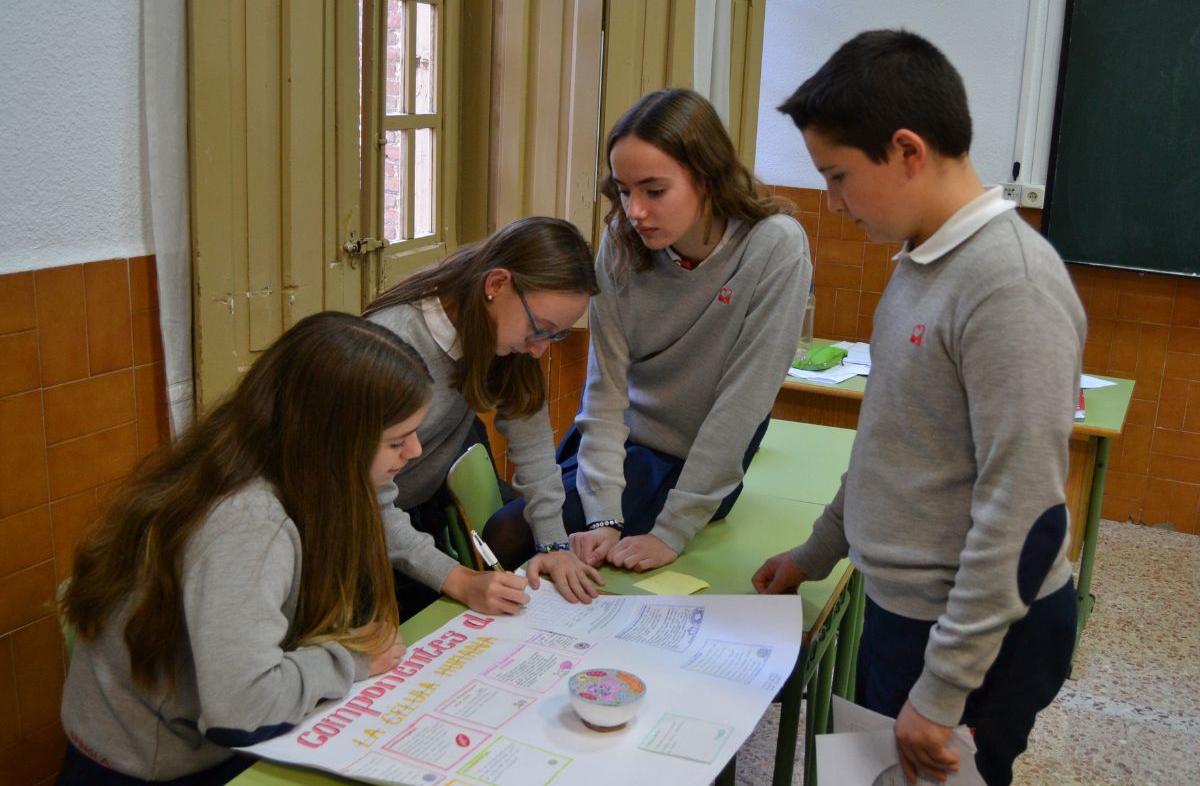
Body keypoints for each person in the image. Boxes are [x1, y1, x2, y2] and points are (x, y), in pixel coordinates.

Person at [753, 30, 1085, 786]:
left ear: (907, 150)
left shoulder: (1010, 287)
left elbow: (1024, 513)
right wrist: (818, 551)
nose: (831, 203)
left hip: (980, 631)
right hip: (913, 611)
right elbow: (891, 444)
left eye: (838, 176)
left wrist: (941, 690)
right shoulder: (921, 261)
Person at [57, 312, 431, 784]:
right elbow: (243, 709)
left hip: (192, 739)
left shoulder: (261, 457)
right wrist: (350, 660)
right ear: (330, 441)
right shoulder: (247, 522)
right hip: (156, 767)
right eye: (397, 440)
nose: (416, 450)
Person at [487, 89, 811, 573]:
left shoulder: (775, 247)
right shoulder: (622, 241)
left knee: (537, 540)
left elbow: (741, 407)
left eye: (654, 191)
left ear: (707, 179)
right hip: (619, 447)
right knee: (511, 532)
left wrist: (672, 531)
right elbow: (605, 390)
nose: (634, 210)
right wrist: (603, 515)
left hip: (699, 460)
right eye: (623, 189)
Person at [364, 216, 605, 618]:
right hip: (352, 534)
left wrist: (554, 545)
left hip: (406, 523)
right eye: (540, 329)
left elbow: (532, 444)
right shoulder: (396, 345)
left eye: (555, 334)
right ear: (496, 285)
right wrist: (459, 579)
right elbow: (366, 500)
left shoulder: (500, 339)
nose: (540, 350)